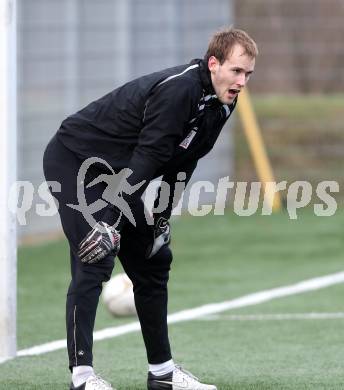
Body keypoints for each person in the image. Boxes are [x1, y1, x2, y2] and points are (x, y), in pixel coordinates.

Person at [43, 27, 257, 390]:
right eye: (236, 71)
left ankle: (162, 374)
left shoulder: (222, 102)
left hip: (122, 173)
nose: (242, 81)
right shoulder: (181, 90)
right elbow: (150, 155)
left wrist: (160, 219)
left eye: (248, 74)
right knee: (96, 256)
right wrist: (110, 222)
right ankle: (81, 378)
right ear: (213, 63)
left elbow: (181, 164)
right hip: (78, 162)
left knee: (154, 260)